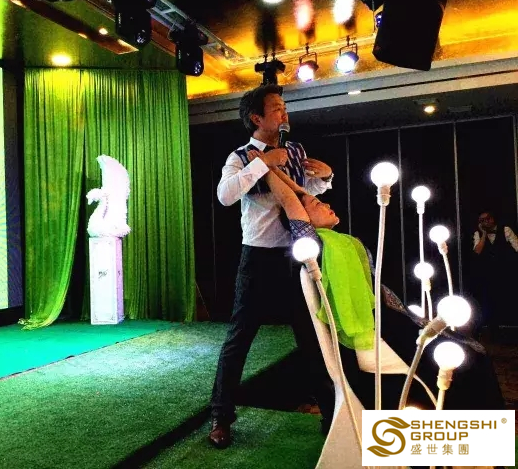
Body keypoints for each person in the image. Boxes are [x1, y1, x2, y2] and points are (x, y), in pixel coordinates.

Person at [260, 165, 505, 411]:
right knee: (473, 358)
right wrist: (264, 165)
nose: (326, 204)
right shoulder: (313, 244)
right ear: (303, 220)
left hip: (392, 319)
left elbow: (299, 195)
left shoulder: (338, 241)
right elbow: (289, 200)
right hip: (380, 328)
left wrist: (279, 171)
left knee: (471, 349)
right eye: (317, 205)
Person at [209, 84, 335, 449]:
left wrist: (325, 176)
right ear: (256, 118)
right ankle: (220, 417)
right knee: (239, 339)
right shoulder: (240, 156)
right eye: (277, 108)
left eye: (284, 107)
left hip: (298, 256)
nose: (284, 113)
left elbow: (306, 193)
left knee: (312, 337)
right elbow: (225, 196)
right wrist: (263, 163)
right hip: (258, 258)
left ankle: (331, 414)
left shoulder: (295, 150)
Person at [471, 211, 518, 338]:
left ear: (493, 219)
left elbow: (517, 246)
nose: (485, 222)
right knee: (488, 301)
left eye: (487, 218)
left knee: (507, 299)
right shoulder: (478, 233)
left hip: (505, 271)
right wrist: (484, 234)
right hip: (486, 274)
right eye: (482, 220)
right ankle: (492, 330)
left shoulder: (505, 230)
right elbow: (477, 251)